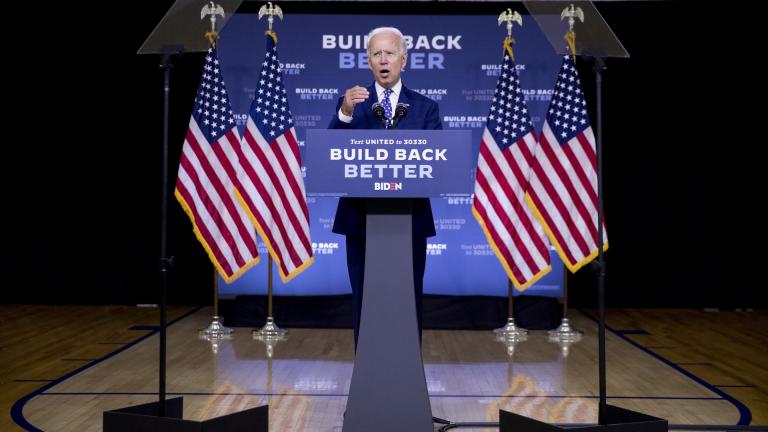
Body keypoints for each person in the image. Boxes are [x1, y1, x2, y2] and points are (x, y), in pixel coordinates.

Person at [329, 26, 442, 349]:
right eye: (376, 54)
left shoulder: (425, 108)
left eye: (389, 53)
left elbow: (438, 162)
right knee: (364, 298)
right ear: (368, 61)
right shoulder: (350, 104)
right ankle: (366, 367)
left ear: (403, 60)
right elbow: (330, 151)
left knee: (408, 298)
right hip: (359, 218)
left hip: (411, 219)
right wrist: (345, 112)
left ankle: (408, 368)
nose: (383, 60)